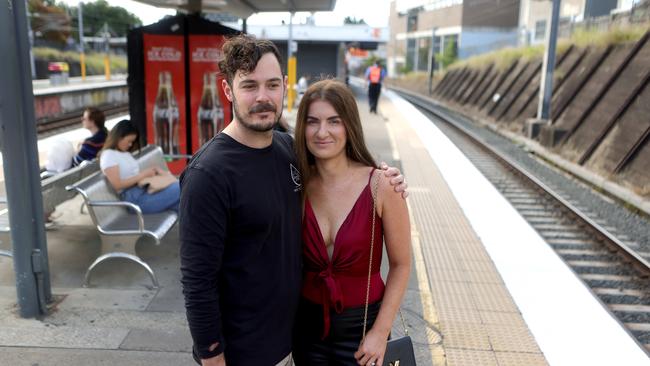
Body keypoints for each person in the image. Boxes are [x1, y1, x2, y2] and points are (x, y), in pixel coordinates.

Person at [179, 34, 407, 366]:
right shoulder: (208, 174)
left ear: (285, 86)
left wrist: (389, 178)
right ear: (228, 90)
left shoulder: (290, 153)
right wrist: (212, 357)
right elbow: (197, 282)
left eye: (272, 85)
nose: (262, 97)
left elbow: (341, 170)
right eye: (249, 86)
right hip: (242, 353)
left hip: (294, 344)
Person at [292, 80, 411, 366]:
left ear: (349, 126)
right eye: (312, 122)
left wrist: (380, 333)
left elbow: (401, 264)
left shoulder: (381, 185)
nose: (322, 132)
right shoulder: (297, 185)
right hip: (306, 333)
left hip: (364, 334)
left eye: (334, 121)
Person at [99, 119, 179, 214]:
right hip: (135, 201)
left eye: (132, 142)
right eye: (129, 141)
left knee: (185, 204)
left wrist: (149, 173)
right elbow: (117, 185)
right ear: (119, 137)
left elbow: (131, 176)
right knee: (184, 186)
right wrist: (143, 175)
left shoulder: (123, 153)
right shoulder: (108, 155)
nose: (130, 144)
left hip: (144, 192)